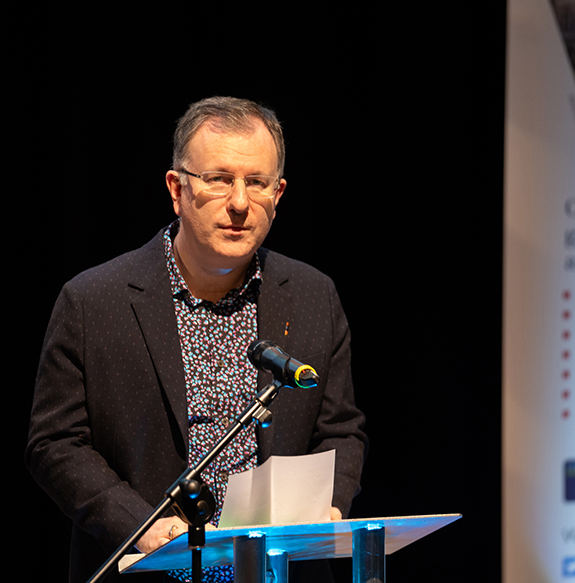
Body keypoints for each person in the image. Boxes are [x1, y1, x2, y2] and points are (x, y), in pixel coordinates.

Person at [25, 96, 367, 582]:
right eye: (219, 179)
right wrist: (138, 525)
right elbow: (55, 443)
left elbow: (341, 431)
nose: (240, 203)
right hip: (151, 567)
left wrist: (329, 504)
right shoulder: (93, 301)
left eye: (257, 183)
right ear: (177, 189)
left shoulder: (314, 295)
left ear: (279, 195)